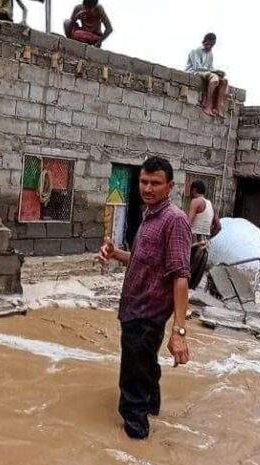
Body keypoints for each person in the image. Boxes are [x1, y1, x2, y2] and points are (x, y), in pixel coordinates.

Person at [98, 156, 192, 440]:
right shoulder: (149, 216)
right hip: (135, 308)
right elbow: (143, 261)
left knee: (132, 385)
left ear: (170, 186)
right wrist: (116, 254)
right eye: (143, 182)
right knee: (146, 370)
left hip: (147, 313)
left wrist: (179, 332)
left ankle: (135, 444)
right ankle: (153, 411)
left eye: (155, 183)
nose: (148, 188)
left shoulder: (174, 220)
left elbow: (181, 276)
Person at [186, 180, 221, 289]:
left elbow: (188, 222)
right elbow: (218, 227)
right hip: (205, 244)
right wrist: (207, 237)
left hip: (193, 243)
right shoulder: (211, 204)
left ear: (194, 190)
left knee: (184, 274)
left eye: (191, 190)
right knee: (194, 279)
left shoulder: (196, 201)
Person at [186, 33, 229, 117]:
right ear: (204, 42)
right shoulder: (195, 51)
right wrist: (215, 72)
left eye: (211, 45)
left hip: (206, 73)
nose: (209, 46)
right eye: (207, 44)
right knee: (214, 78)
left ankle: (218, 107)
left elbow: (210, 67)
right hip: (194, 72)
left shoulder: (210, 54)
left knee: (224, 81)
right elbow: (197, 67)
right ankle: (207, 105)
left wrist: (218, 72)